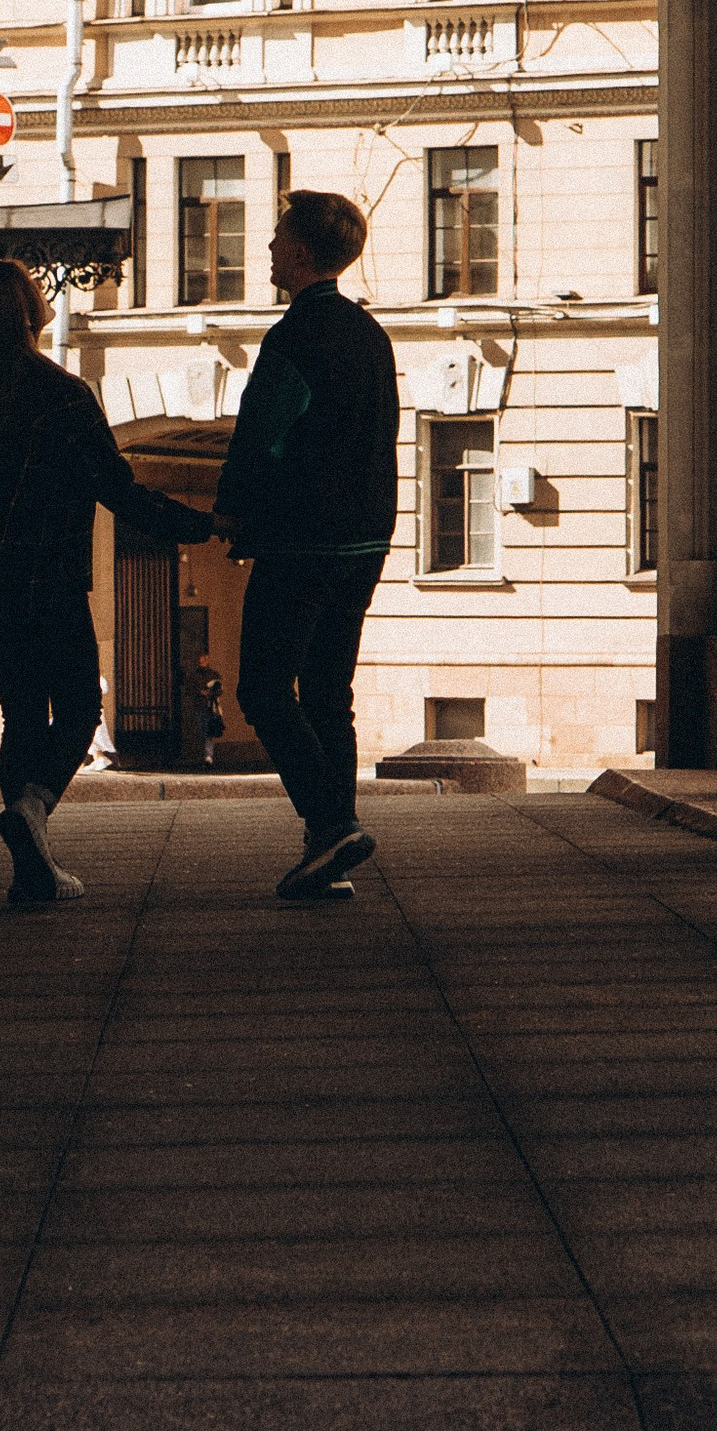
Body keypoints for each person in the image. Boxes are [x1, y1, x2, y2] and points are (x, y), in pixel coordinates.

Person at [0, 258, 213, 907]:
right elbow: (117, 490)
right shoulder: (65, 396)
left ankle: (30, 866)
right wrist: (201, 525)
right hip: (49, 582)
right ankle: (34, 808)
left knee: (21, 711)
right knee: (77, 709)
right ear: (29, 317)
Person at [218, 187, 400, 901]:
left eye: (274, 237)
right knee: (330, 694)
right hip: (365, 540)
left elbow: (260, 435)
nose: (265, 248)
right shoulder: (371, 334)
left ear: (297, 253)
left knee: (262, 688)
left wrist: (234, 508)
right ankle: (331, 852)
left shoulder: (293, 337)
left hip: (300, 543)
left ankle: (330, 825)